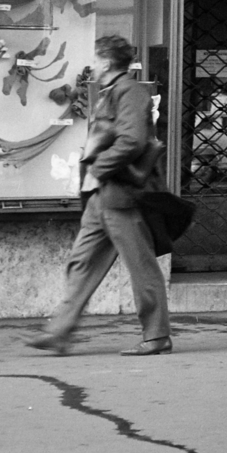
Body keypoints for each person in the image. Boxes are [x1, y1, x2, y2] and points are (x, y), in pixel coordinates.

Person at [29, 35, 171, 356]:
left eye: (95, 59)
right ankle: (59, 331)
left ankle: (157, 335)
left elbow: (132, 141)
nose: (92, 64)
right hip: (102, 196)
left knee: (141, 266)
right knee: (81, 262)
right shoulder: (112, 91)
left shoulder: (130, 92)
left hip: (123, 196)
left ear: (106, 62)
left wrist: (99, 168)